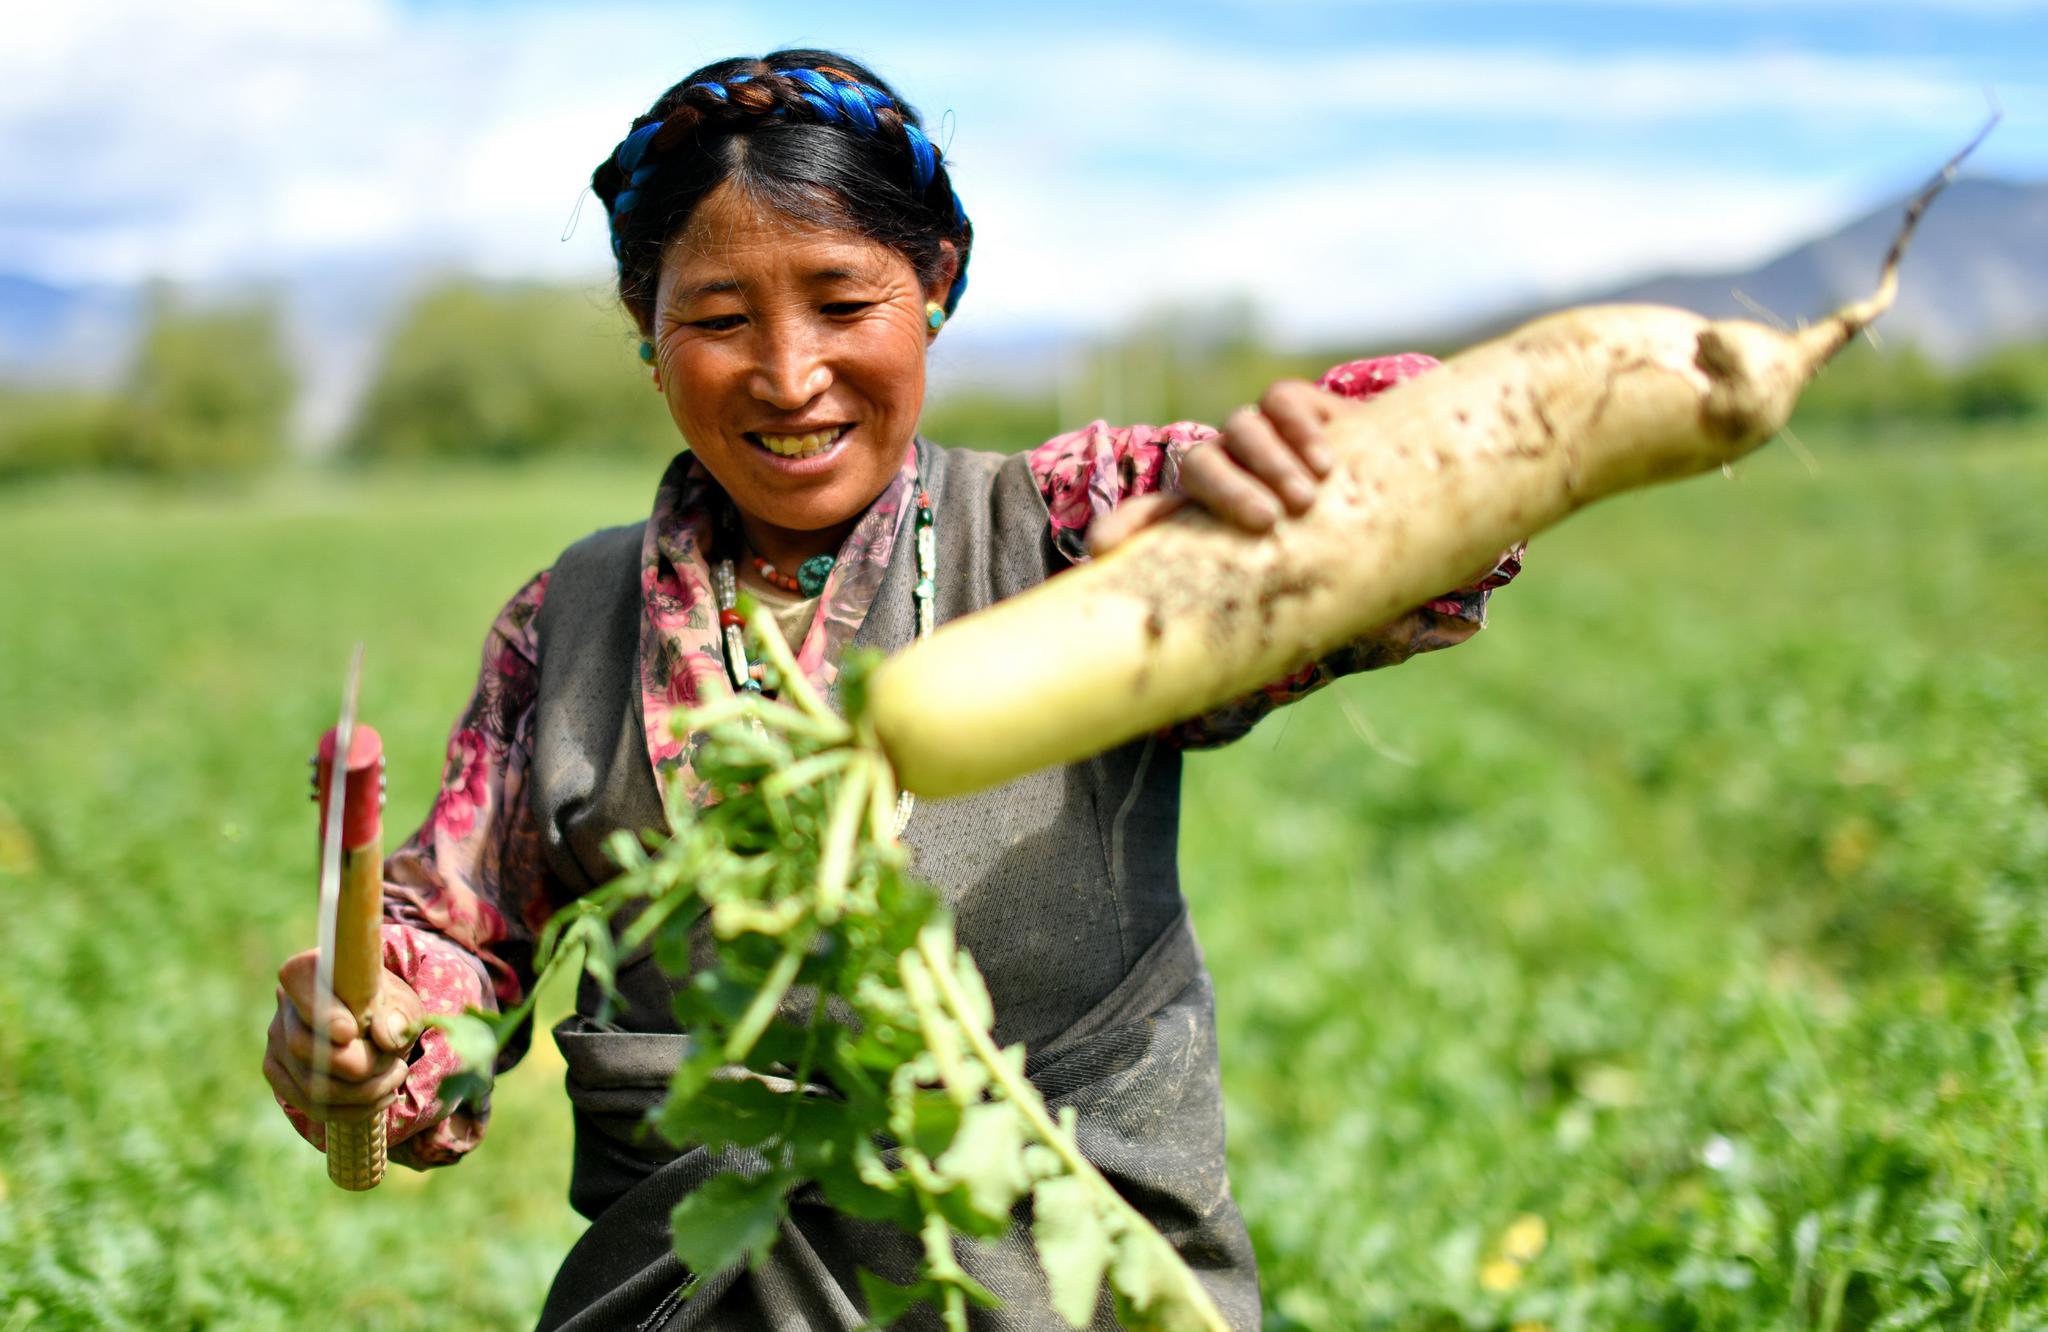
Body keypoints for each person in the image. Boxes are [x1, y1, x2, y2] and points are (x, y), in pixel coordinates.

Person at [262, 49, 1519, 1331]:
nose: (789, 373)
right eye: (717, 318)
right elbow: (452, 951)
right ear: (648, 333)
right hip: (692, 1294)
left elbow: (1448, 478)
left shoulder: (1079, 529)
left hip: (1062, 1290)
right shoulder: (569, 621)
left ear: (935, 287)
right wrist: (372, 1032)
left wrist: (1322, 481)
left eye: (840, 302)